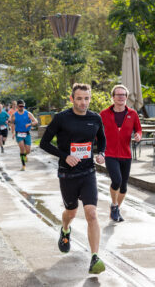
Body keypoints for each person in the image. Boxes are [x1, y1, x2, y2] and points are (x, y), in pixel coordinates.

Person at [40, 83, 106, 274]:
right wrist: (64, 156)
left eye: (86, 98)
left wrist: (101, 152)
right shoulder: (61, 118)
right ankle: (66, 229)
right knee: (71, 212)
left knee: (92, 213)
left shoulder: (95, 118)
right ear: (72, 99)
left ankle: (95, 257)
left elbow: (102, 138)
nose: (83, 102)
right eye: (79, 98)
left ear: (90, 98)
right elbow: (44, 143)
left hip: (88, 172)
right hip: (67, 174)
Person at [100, 85, 142, 222]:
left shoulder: (132, 114)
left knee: (123, 186)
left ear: (126, 97)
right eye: (118, 95)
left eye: (123, 95)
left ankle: (116, 208)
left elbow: (139, 130)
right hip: (110, 153)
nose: (121, 97)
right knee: (116, 181)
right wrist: (99, 150)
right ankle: (114, 204)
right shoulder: (104, 114)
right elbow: (97, 133)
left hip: (126, 154)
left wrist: (138, 135)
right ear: (113, 97)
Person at [11, 99, 38, 171]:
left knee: (28, 151)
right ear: (17, 106)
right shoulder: (14, 115)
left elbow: (36, 121)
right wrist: (13, 132)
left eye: (23, 106)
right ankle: (23, 165)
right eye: (20, 106)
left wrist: (30, 124)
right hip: (19, 134)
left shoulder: (28, 113)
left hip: (27, 134)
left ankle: (25, 155)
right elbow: (12, 124)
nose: (21, 107)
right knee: (22, 149)